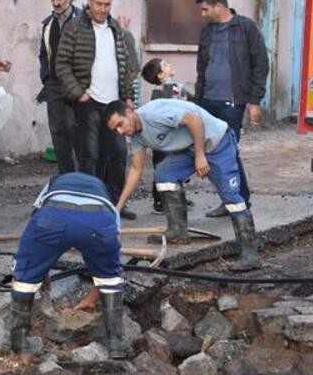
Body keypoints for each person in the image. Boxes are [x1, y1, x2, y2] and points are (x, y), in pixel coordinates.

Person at [104, 99, 260, 271]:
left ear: (129, 111)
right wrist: (118, 207)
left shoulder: (154, 114)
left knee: (232, 198)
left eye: (120, 124)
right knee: (164, 175)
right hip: (190, 149)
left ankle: (249, 254)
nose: (120, 132)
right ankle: (178, 232)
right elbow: (136, 169)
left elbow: (194, 120)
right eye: (115, 130)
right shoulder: (136, 137)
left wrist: (200, 156)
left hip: (216, 143)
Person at [9, 171, 133, 359]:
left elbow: (36, 222)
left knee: (24, 277)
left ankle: (20, 342)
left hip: (53, 217)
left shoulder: (52, 184)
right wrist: (94, 296)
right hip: (98, 221)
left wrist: (39, 272)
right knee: (111, 278)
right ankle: (117, 344)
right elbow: (110, 261)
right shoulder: (103, 195)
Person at [55, 0, 136, 220]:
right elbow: (62, 64)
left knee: (119, 153)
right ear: (89, 1)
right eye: (99, 3)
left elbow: (124, 66)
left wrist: (128, 96)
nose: (103, 8)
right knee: (90, 154)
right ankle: (91, 202)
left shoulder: (116, 29)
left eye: (107, 4)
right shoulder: (74, 28)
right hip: (88, 101)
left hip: (115, 103)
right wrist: (78, 92)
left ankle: (115, 203)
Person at [194, 0, 268, 218]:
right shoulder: (207, 32)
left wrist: (254, 101)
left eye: (205, 9)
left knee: (228, 152)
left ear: (219, 6)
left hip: (232, 103)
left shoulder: (245, 28)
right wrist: (197, 102)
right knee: (213, 152)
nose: (203, 14)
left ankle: (239, 199)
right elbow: (201, 69)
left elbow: (261, 64)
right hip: (208, 100)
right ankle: (229, 199)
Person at [141, 58, 195, 213]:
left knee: (177, 167)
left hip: (175, 137)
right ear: (160, 75)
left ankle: (176, 198)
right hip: (163, 139)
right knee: (162, 168)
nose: (170, 65)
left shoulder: (176, 87)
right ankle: (160, 201)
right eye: (165, 65)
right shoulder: (160, 91)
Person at [38, 0, 82, 174]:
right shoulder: (48, 24)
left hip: (77, 85)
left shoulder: (83, 20)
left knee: (77, 131)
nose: (56, 3)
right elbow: (43, 53)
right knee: (58, 132)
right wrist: (46, 77)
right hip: (54, 84)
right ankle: (66, 176)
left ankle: (84, 177)